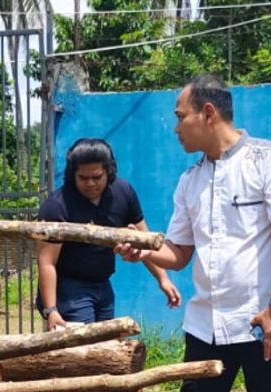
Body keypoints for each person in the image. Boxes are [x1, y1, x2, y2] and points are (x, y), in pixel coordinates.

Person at [117, 75, 271, 392]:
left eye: (180, 117)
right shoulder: (190, 180)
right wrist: (142, 248)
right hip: (205, 326)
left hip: (262, 323)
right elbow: (178, 253)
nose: (176, 128)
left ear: (208, 113)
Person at [37, 138, 180, 330]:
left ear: (108, 172)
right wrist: (51, 310)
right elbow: (46, 262)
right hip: (69, 289)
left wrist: (163, 279)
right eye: (83, 178)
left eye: (97, 177)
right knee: (80, 351)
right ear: (73, 175)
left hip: (103, 286)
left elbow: (144, 240)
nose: (90, 183)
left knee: (105, 345)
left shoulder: (123, 193)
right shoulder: (57, 206)